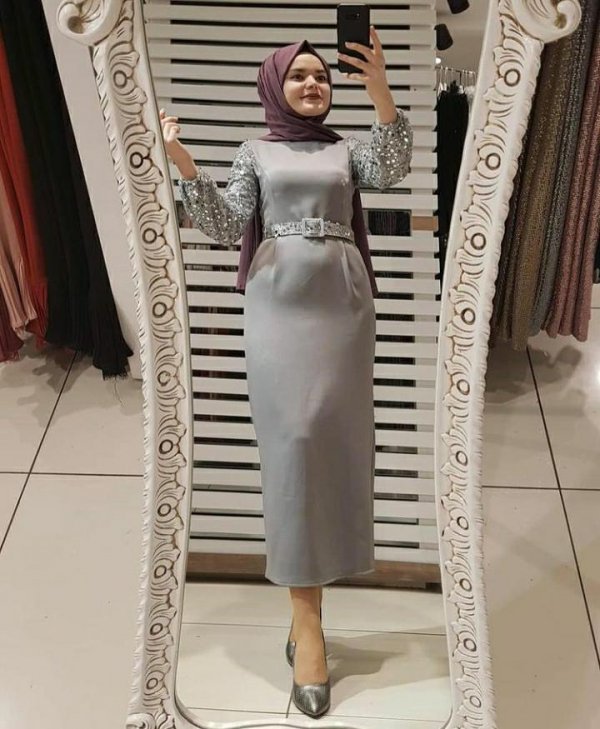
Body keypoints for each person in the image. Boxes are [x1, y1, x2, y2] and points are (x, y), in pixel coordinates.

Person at [160, 27, 413, 719]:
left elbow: (392, 168)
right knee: (293, 446)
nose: (312, 84)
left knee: (333, 447)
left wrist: (380, 91)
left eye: (321, 76)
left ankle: (311, 612)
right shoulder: (255, 151)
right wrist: (182, 160)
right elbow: (225, 225)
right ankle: (307, 626)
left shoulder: (346, 150)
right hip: (276, 303)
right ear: (274, 84)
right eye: (299, 75)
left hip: (342, 306)